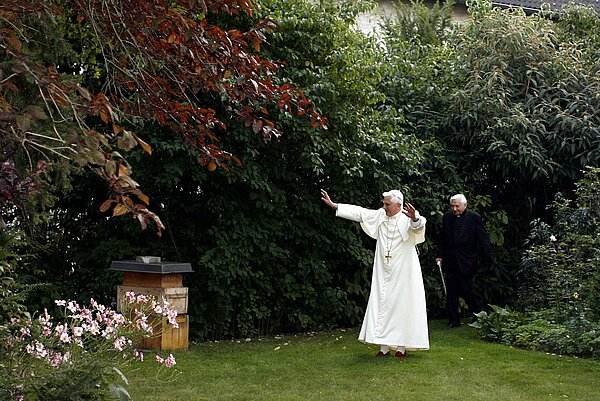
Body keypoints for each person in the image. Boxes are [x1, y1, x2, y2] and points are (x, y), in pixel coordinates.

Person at [320, 189, 429, 358]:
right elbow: (360, 213)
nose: (383, 207)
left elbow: (419, 226)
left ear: (399, 205)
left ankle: (401, 347)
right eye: (384, 203)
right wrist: (335, 206)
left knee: (403, 304)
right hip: (383, 269)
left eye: (387, 204)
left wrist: (414, 218)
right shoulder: (380, 215)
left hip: (404, 270)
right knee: (382, 303)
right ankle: (383, 346)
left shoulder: (409, 216)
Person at [435, 194, 493, 328]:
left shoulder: (474, 217)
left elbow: (482, 239)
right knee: (451, 291)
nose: (454, 209)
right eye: (452, 206)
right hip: (450, 260)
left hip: (467, 260)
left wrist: (487, 258)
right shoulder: (447, 217)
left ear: (465, 205)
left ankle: (478, 314)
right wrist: (440, 255)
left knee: (467, 289)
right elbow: (442, 238)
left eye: (457, 206)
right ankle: (454, 320)